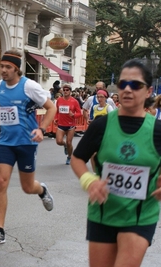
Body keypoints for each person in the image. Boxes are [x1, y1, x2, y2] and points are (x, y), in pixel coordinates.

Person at [71, 58, 161, 267]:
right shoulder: (101, 125)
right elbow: (77, 158)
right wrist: (89, 181)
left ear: (148, 91)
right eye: (123, 84)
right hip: (103, 213)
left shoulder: (157, 131)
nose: (128, 90)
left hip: (140, 216)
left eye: (136, 85)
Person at [0, 49, 56, 245]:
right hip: (6, 142)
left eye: (8, 67)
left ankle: (42, 190)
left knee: (27, 187)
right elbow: (3, 106)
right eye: (2, 66)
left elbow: (51, 108)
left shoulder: (29, 86)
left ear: (17, 69)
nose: (3, 70)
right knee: (1, 182)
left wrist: (42, 129)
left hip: (27, 143)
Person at [54, 83, 82, 165]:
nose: (65, 91)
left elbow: (79, 113)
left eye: (67, 90)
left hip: (70, 125)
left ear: (70, 91)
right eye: (64, 90)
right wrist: (56, 118)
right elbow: (57, 111)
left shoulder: (74, 101)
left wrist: (74, 115)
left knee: (70, 142)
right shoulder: (59, 100)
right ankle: (65, 145)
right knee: (59, 141)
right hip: (61, 124)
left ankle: (70, 157)